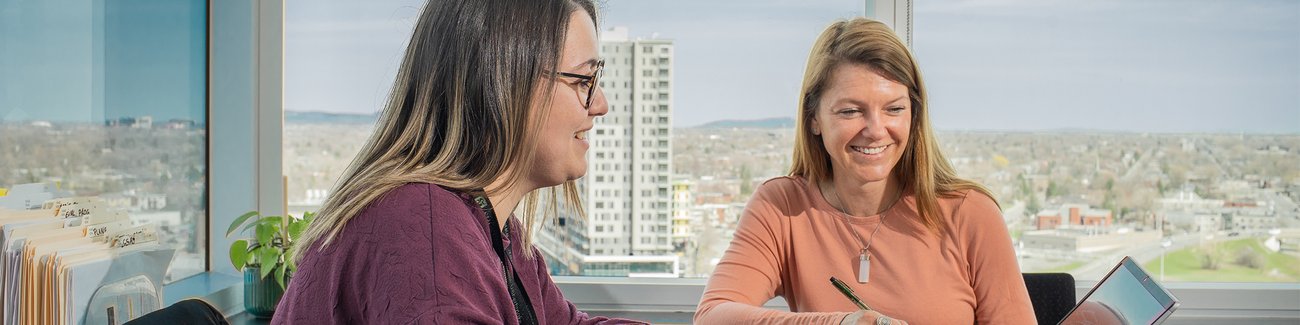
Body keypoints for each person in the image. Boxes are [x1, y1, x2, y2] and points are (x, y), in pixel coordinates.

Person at [272, 1, 645, 324]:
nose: (601, 104)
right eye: (584, 80)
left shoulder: (492, 229)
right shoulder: (424, 229)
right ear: (505, 82)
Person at [694, 18, 1035, 324]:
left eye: (894, 109)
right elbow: (713, 315)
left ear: (913, 115)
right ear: (814, 118)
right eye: (851, 111)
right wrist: (839, 324)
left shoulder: (970, 212)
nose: (875, 130)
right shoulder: (782, 206)